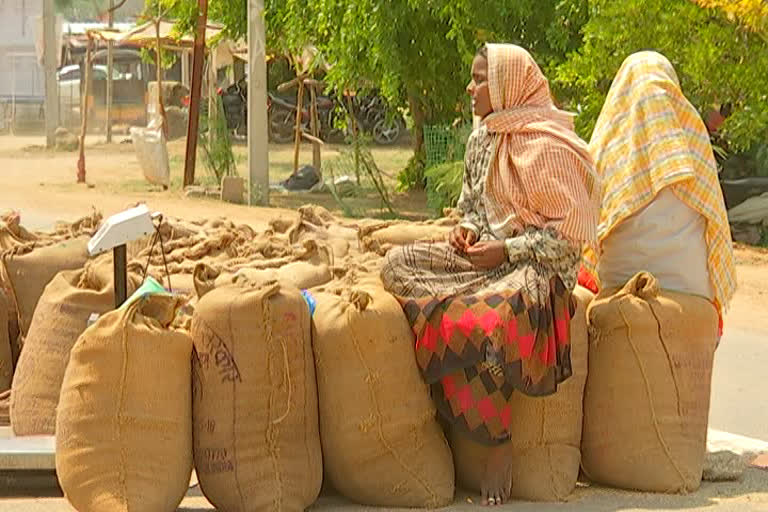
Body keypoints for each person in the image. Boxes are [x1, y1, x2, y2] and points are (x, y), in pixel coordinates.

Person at [381, 43, 599, 506]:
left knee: (491, 319)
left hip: (537, 272)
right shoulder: (482, 138)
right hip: (484, 262)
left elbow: (569, 241)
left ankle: (497, 440)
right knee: (398, 265)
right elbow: (472, 209)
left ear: (507, 86)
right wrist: (466, 232)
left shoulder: (549, 146)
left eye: (480, 79)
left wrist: (508, 249)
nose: (471, 87)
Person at [579, 51, 736, 338]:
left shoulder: (607, 143)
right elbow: (713, 216)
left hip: (618, 285)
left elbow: (586, 224)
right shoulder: (693, 136)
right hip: (692, 291)